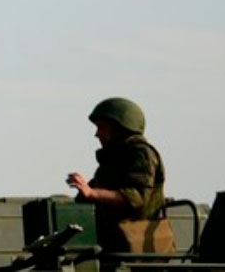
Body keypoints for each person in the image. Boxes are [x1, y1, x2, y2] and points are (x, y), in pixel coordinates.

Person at [67, 97, 172, 267]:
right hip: (114, 246)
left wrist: (92, 193)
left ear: (119, 129)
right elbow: (93, 193)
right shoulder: (113, 159)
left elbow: (137, 198)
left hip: (138, 248)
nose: (97, 134)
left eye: (101, 127)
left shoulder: (141, 153)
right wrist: (83, 192)